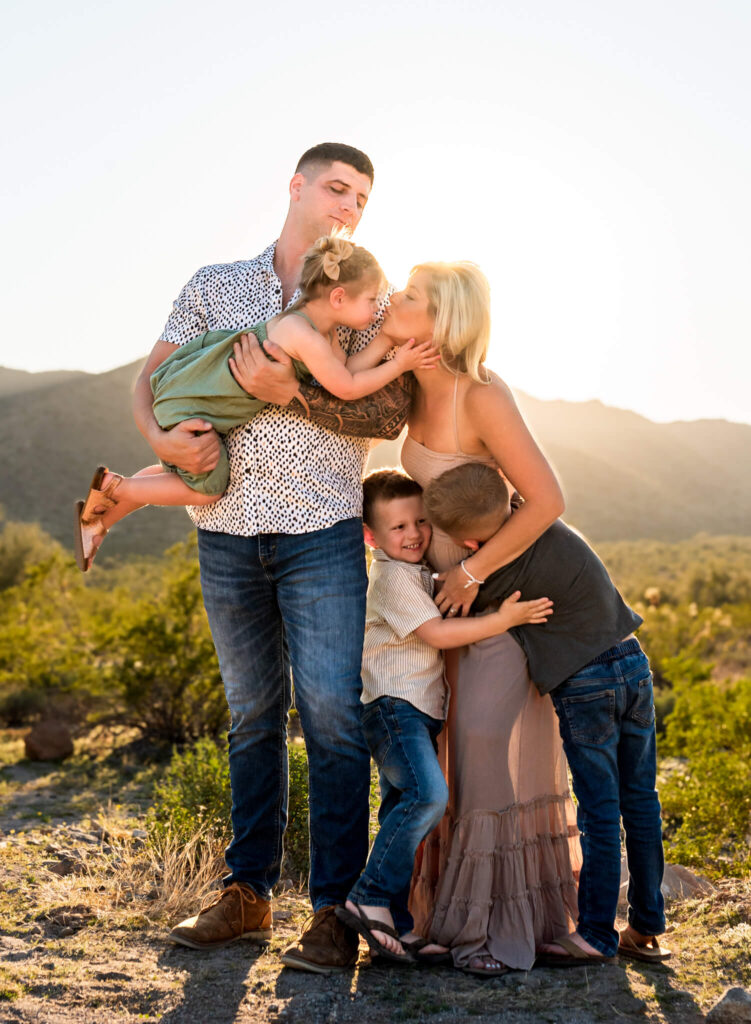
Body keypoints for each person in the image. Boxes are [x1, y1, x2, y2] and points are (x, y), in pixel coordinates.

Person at [121, 143, 416, 973]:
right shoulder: (216, 285)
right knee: (252, 718)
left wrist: (299, 395)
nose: (347, 206)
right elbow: (146, 382)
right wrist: (155, 437)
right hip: (222, 529)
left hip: (321, 530)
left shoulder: (368, 298)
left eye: (360, 196)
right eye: (335, 187)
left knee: (329, 720)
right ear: (295, 186)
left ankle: (332, 911)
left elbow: (389, 415)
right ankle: (245, 895)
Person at [373, 260, 582, 975]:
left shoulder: (481, 394)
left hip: (492, 603)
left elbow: (548, 500)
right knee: (450, 760)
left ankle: (497, 929)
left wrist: (468, 570)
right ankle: (443, 920)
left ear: (444, 320)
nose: (392, 300)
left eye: (409, 297)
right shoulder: (408, 387)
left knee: (484, 744)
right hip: (440, 615)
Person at [423, 462, 671, 966]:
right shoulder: (550, 527)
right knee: (641, 800)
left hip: (586, 684)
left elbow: (451, 605)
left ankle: (597, 935)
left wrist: (458, 576)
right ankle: (646, 926)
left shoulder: (499, 576)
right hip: (633, 664)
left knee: (600, 811)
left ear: (472, 546)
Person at [73, 236, 436, 571]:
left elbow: (343, 373)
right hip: (195, 402)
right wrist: (399, 364)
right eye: (372, 300)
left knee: (174, 475)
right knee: (208, 489)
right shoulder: (302, 334)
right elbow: (347, 388)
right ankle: (115, 488)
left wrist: (387, 342)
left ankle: (98, 518)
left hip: (191, 396)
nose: (380, 306)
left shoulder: (317, 329)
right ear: (339, 298)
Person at [337, 470, 553, 965]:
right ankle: (368, 895)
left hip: (415, 713)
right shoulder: (391, 578)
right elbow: (434, 634)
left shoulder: (412, 573)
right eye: (398, 527)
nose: (413, 534)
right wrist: (502, 621)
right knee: (428, 795)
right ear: (371, 536)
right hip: (395, 709)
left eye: (420, 522)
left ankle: (396, 920)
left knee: (399, 807)